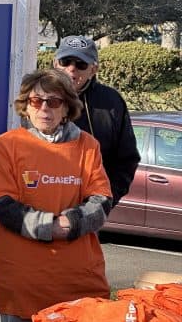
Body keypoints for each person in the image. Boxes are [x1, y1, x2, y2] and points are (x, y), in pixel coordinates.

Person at [0, 69, 112, 322]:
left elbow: (101, 202)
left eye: (54, 102)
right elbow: (2, 205)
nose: (44, 108)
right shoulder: (5, 146)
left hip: (79, 286)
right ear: (26, 107)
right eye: (36, 101)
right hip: (24, 287)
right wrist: (49, 227)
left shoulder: (88, 146)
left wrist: (70, 224)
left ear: (66, 108)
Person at [53, 35, 140, 206]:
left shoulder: (111, 102)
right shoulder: (38, 97)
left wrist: (103, 203)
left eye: (81, 64)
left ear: (93, 69)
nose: (72, 69)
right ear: (56, 64)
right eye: (65, 61)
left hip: (89, 208)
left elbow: (126, 160)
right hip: (40, 205)